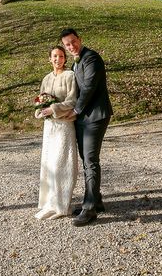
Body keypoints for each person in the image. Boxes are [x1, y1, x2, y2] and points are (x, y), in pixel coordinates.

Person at [60, 28, 113, 227]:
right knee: (86, 159)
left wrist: (76, 110)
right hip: (83, 118)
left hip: (96, 116)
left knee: (90, 160)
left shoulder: (91, 58)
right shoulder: (77, 62)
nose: (71, 46)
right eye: (67, 44)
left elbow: (89, 87)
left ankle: (89, 209)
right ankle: (96, 200)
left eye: (73, 41)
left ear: (80, 39)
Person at [34, 46, 78, 220]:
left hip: (64, 125)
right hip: (49, 127)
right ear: (49, 59)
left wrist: (53, 108)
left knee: (62, 164)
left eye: (60, 56)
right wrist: (38, 111)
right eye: (54, 56)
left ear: (65, 59)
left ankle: (62, 205)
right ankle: (49, 203)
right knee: (49, 164)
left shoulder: (69, 76)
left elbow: (72, 100)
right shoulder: (46, 78)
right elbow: (40, 99)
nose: (57, 59)